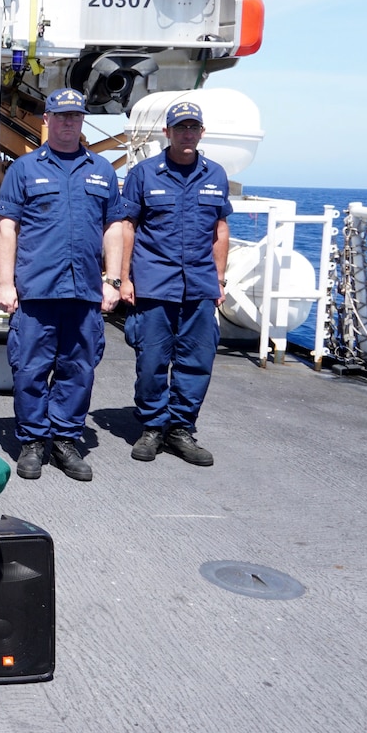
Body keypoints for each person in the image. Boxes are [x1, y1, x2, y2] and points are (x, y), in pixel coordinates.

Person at [0, 88, 123, 482]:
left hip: (84, 290)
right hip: (37, 289)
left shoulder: (101, 170)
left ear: (82, 120)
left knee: (78, 368)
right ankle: (33, 440)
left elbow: (113, 227)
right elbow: (8, 227)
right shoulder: (24, 169)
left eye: (76, 116)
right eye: (61, 116)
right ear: (47, 119)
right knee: (30, 368)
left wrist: (114, 280)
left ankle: (66, 439)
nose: (69, 122)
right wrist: (5, 283)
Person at [119, 99, 232, 466]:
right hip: (154, 282)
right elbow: (128, 227)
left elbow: (220, 229)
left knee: (197, 360)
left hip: (199, 284)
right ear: (166, 132)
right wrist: (123, 278)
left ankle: (180, 429)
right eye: (180, 128)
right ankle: (152, 427)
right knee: (151, 359)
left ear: (201, 132)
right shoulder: (144, 174)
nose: (187, 134)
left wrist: (219, 278)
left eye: (193, 128)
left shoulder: (215, 175)